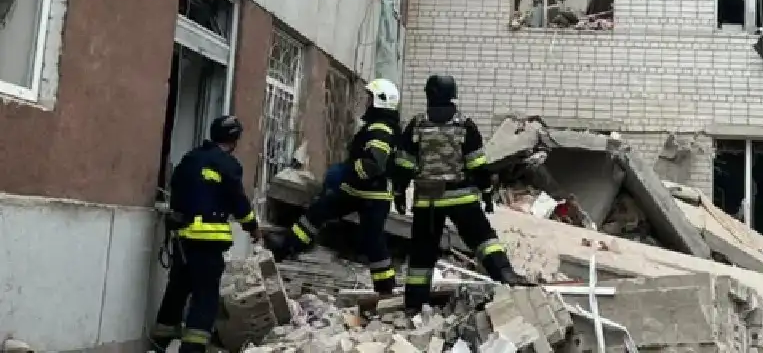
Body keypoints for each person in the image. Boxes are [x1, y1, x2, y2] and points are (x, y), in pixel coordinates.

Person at [398, 74, 525, 312]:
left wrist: (399, 191)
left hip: (428, 201)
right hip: (462, 198)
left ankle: (415, 305)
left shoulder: (416, 124)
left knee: (422, 253)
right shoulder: (465, 125)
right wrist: (487, 192)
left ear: (429, 95)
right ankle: (505, 274)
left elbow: (404, 164)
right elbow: (477, 164)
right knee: (484, 239)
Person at [265, 78, 403, 295]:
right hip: (356, 191)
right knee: (318, 211)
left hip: (374, 196)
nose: (366, 102)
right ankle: (287, 246)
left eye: (370, 98)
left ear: (380, 101)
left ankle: (385, 288)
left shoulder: (381, 129)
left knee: (373, 241)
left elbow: (374, 164)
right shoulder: (377, 125)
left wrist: (346, 173)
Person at [151, 116, 260, 353]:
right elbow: (239, 202)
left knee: (177, 291)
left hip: (183, 241)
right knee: (205, 297)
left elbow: (175, 190)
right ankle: (192, 348)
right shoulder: (228, 165)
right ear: (234, 139)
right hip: (208, 244)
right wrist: (252, 227)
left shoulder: (190, 159)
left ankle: (158, 343)